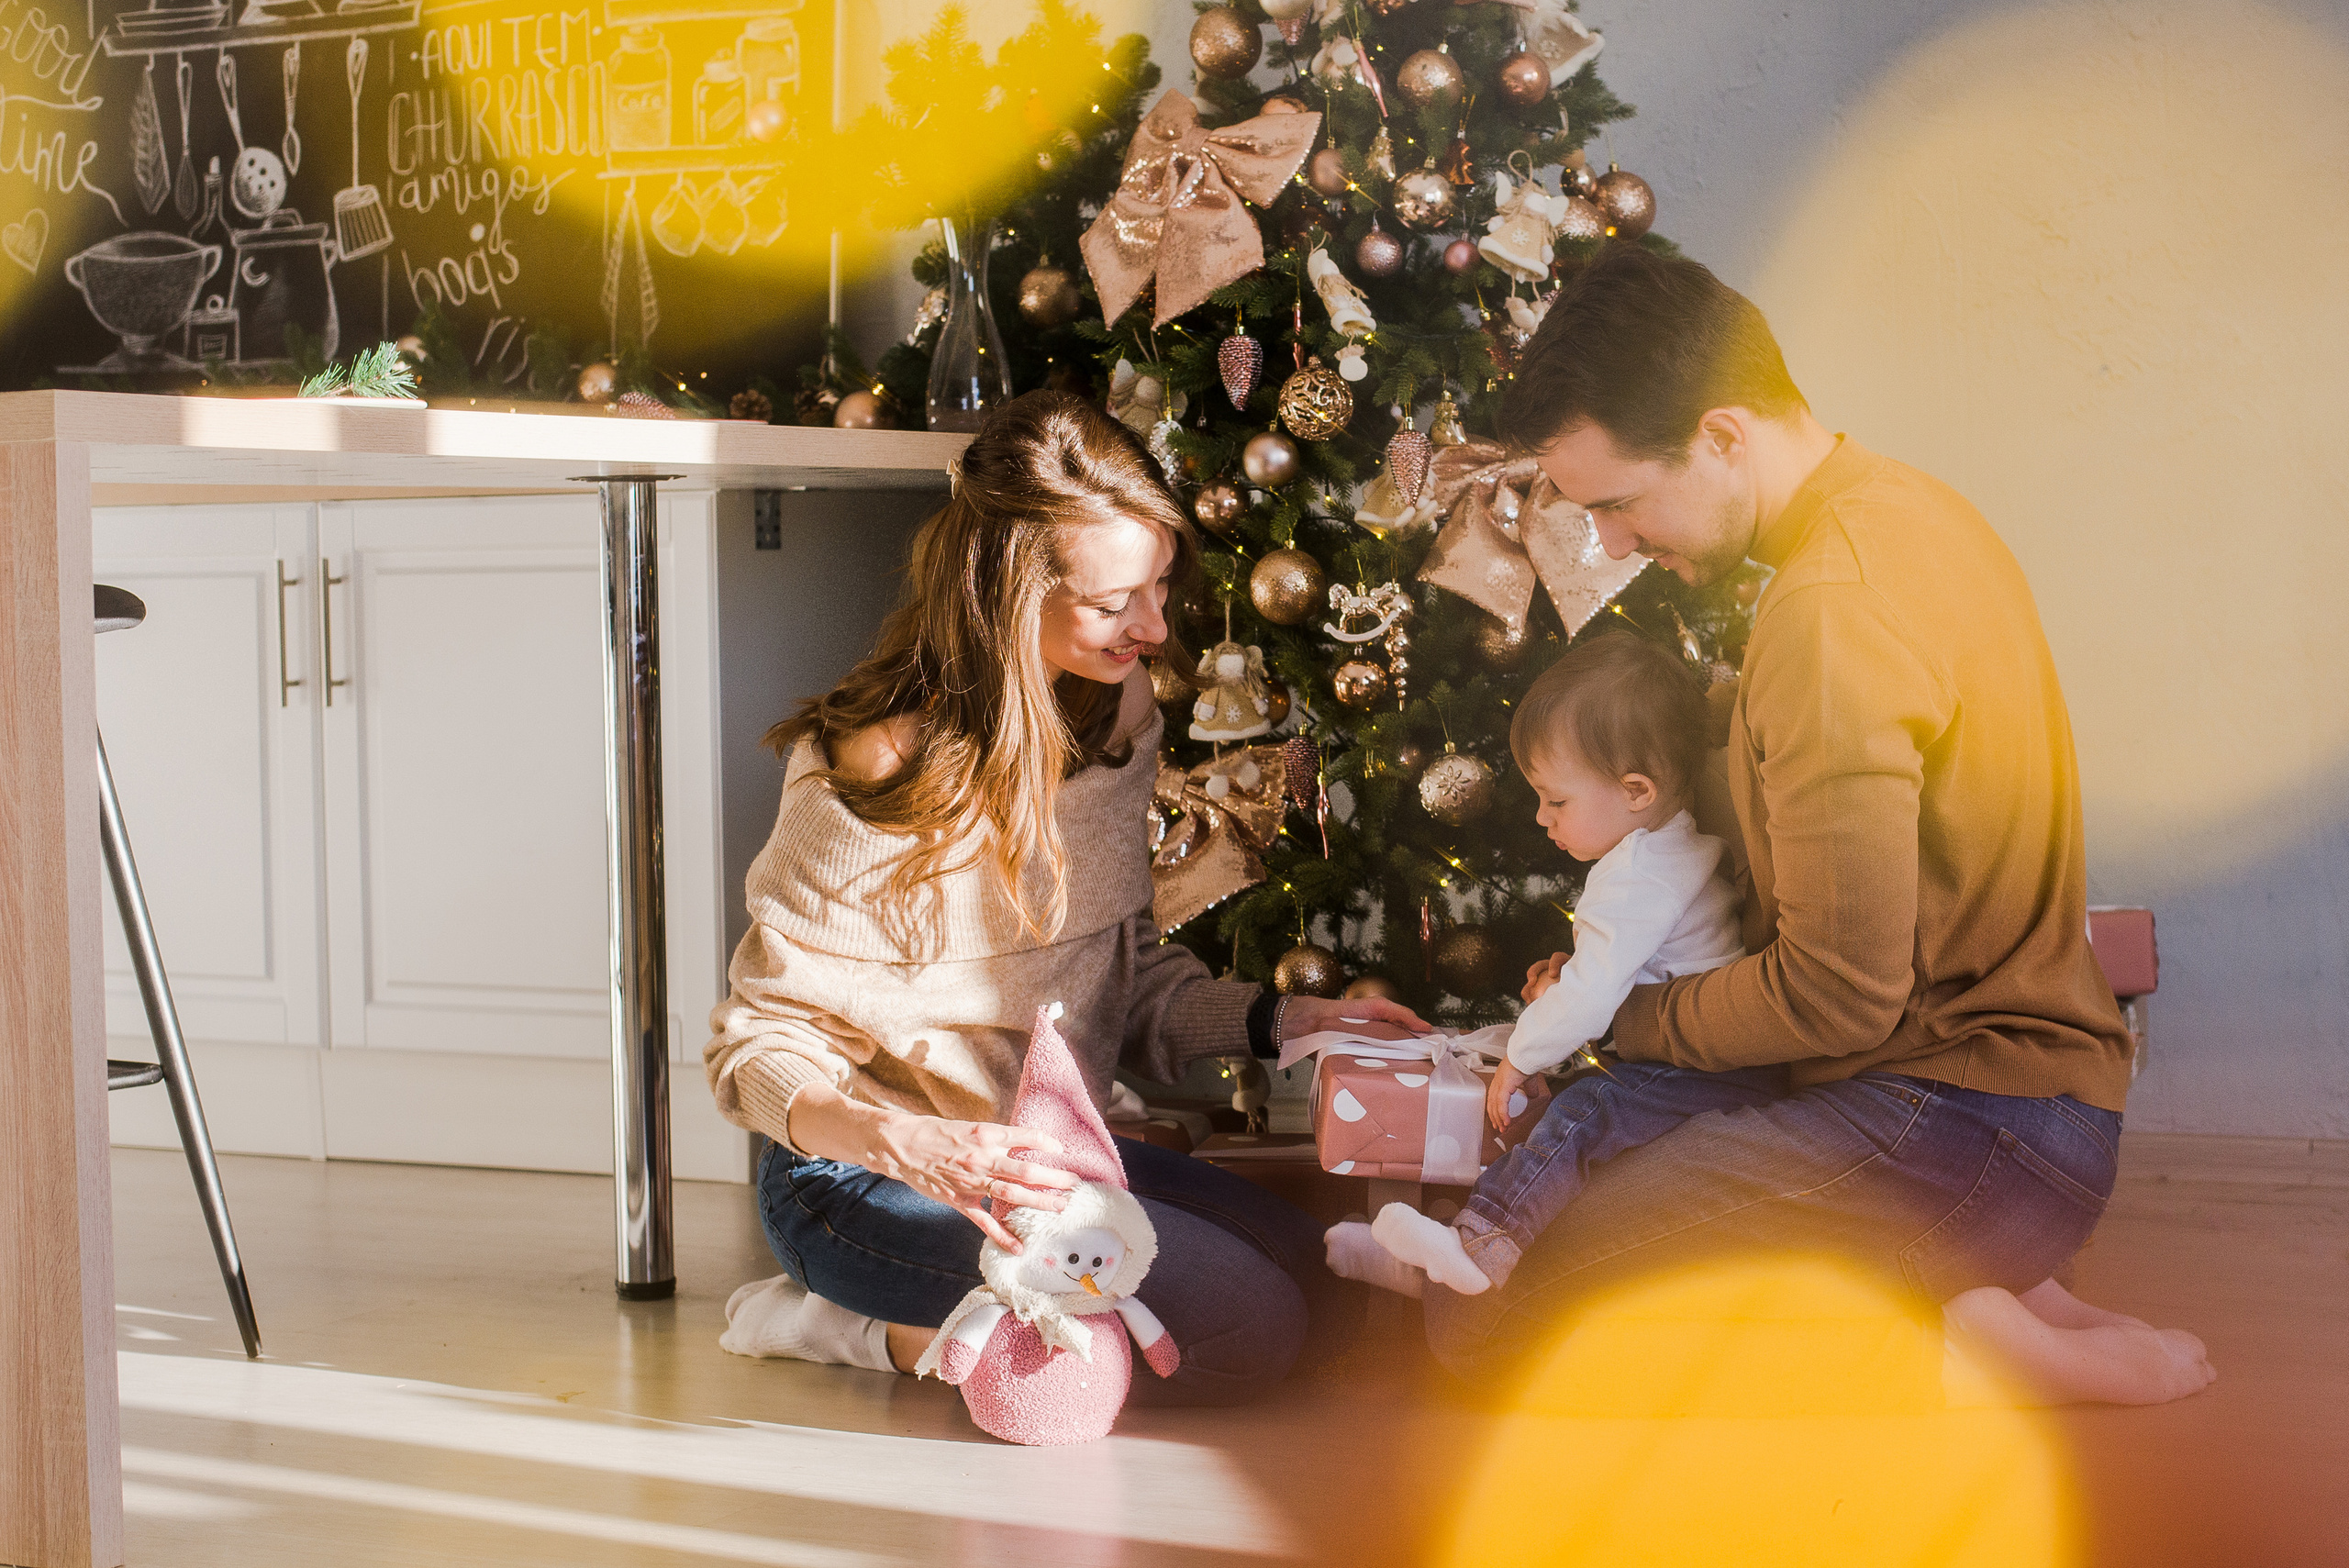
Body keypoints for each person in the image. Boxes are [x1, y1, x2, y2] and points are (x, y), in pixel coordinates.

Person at [1420, 244, 2214, 1407]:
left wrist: (1624, 1018)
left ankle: (1953, 1333)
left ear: (1722, 435)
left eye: (1620, 504)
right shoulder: (1907, 510)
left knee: (1482, 1321)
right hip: (2029, 1113)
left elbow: (1838, 995)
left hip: (1961, 1118)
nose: (1616, 545)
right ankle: (1983, 1282)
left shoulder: (1829, 608)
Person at [702, 391, 1424, 1403]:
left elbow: (1118, 974)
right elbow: (753, 1047)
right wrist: (908, 1141)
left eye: (1160, 585)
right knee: (1247, 1327)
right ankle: (858, 1328)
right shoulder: (874, 770)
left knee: (1323, 1287)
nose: (1153, 626)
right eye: (1112, 600)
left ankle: (962, 1317)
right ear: (1007, 592)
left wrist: (1288, 1021)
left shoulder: (1118, 715)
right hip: (863, 1176)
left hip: (1045, 1154)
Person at [1327, 633, 1783, 1297]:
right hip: (1715, 1059)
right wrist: (1572, 979)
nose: (1541, 818)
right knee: (1572, 1112)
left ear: (1635, 790)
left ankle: (1478, 1248)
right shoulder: (1672, 848)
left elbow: (1595, 998)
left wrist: (1523, 1054)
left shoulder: (1634, 876)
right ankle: (1443, 1254)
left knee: (1587, 1110)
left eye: (1556, 800)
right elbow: (1632, 969)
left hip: (1711, 1071)